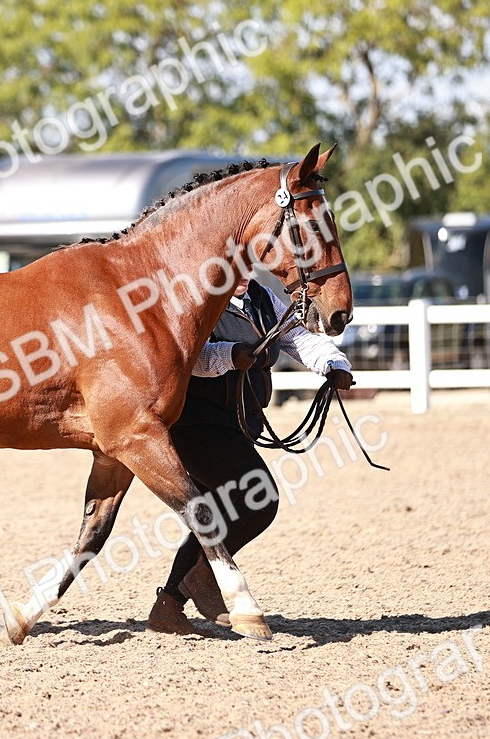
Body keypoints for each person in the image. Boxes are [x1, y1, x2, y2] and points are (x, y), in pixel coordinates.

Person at [147, 271, 353, 635]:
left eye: (246, 267)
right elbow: (186, 355)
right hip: (197, 424)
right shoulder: (199, 299)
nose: (242, 275)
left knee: (221, 510)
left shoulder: (261, 298)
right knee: (260, 499)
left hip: (239, 424)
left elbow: (296, 338)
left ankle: (169, 607)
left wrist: (333, 364)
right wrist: (228, 355)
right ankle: (204, 577)